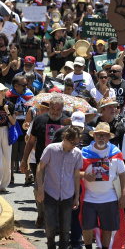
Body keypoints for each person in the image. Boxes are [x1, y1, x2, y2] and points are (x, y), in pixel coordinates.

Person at [20, 96, 68, 227]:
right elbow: (30, 142)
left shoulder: (67, 121)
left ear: (62, 109)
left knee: (59, 193)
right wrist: (24, 160)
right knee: (38, 189)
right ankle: (41, 214)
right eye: (52, 108)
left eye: (58, 109)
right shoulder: (39, 120)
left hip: (62, 164)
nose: (54, 112)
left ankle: (57, 221)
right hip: (43, 162)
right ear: (49, 107)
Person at [80, 122, 125, 249]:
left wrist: (123, 195)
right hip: (89, 198)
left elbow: (123, 175)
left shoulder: (116, 153)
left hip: (109, 198)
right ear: (94, 136)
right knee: (87, 226)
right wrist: (84, 174)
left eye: (105, 135)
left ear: (109, 138)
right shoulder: (83, 152)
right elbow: (73, 172)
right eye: (99, 135)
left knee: (107, 228)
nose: (101, 138)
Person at [36, 127, 83, 249]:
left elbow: (77, 175)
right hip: (50, 192)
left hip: (67, 194)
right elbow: (40, 168)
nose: (74, 146)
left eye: (76, 144)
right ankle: (50, 246)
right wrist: (40, 189)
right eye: (72, 143)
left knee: (65, 229)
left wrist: (77, 197)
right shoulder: (51, 149)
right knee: (50, 226)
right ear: (65, 138)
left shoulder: (77, 153)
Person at [0, 84, 15, 191]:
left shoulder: (9, 105)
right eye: (0, 91)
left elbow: (13, 121)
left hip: (6, 130)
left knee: (6, 157)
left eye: (3, 91)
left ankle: (3, 184)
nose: (2, 93)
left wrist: (7, 112)